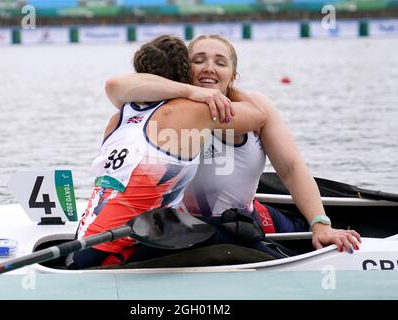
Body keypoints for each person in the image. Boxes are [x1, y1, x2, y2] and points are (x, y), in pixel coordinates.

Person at [104, 34, 361, 253]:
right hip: (186, 229)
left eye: (220, 62)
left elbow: (291, 168)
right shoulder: (171, 109)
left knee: (310, 232)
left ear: (233, 75)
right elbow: (117, 86)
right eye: (198, 60)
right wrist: (194, 92)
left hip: (246, 219)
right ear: (184, 71)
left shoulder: (256, 105)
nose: (209, 68)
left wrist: (320, 224)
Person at [66, 35, 266, 269]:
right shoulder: (192, 112)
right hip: (114, 254)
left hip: (81, 246)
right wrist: (224, 83)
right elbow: (258, 115)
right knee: (237, 232)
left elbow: (114, 85)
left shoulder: (117, 118)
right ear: (185, 75)